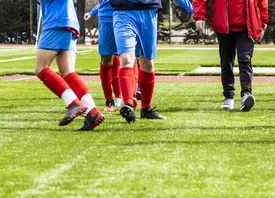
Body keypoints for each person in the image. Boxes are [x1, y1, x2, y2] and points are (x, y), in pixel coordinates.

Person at [110, 0, 193, 123]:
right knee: (126, 58)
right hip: (123, 12)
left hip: (148, 11)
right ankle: (129, 105)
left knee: (147, 62)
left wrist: (193, 9)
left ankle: (146, 109)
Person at [32, 0, 104, 131]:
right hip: (69, 22)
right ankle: (92, 112)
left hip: (56, 21)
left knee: (40, 69)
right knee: (68, 72)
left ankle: (73, 103)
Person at [193, 0, 269, 112]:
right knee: (226, 62)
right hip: (223, 25)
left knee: (245, 59)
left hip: (247, 27)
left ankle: (246, 95)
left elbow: (263, 2)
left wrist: (263, 22)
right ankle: (228, 96)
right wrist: (199, 16)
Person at [84, 0, 123, 113]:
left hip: (123, 18)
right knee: (106, 60)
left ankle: (123, 97)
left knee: (126, 58)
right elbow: (103, 3)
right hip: (105, 20)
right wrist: (92, 12)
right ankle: (109, 101)